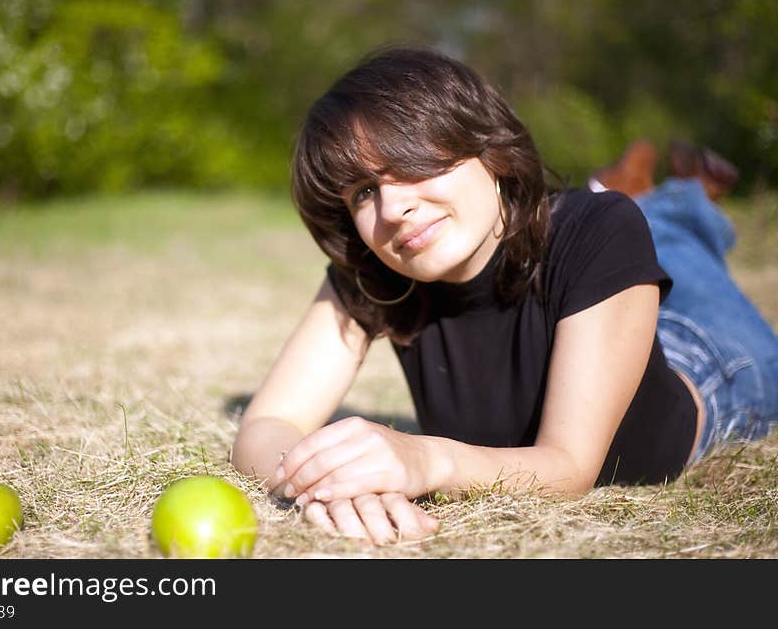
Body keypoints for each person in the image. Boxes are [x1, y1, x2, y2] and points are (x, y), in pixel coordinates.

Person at [230, 47, 778, 545]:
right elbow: (265, 425)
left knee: (675, 235)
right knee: (643, 226)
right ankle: (636, 188)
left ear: (488, 149)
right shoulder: (375, 273)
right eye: (364, 192)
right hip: (607, 294)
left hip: (716, 364)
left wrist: (424, 458)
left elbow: (568, 467)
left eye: (412, 162)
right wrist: (327, 478)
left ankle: (686, 195)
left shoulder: (599, 231)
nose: (392, 208)